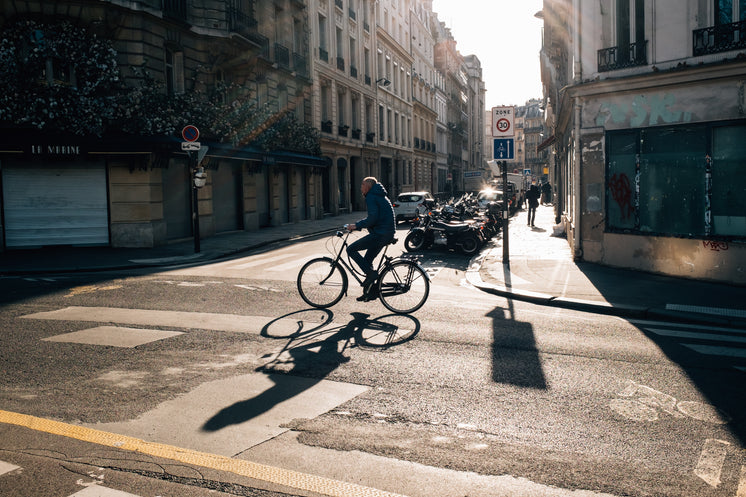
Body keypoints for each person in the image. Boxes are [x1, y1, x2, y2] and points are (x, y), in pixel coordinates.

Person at [346, 177, 396, 301]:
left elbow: (372, 219)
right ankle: (370, 292)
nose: (360, 188)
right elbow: (375, 217)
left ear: (367, 186)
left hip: (381, 234)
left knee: (351, 249)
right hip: (386, 232)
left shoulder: (371, 197)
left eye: (362, 185)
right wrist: (359, 226)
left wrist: (356, 225)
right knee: (367, 261)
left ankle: (371, 275)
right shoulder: (378, 194)